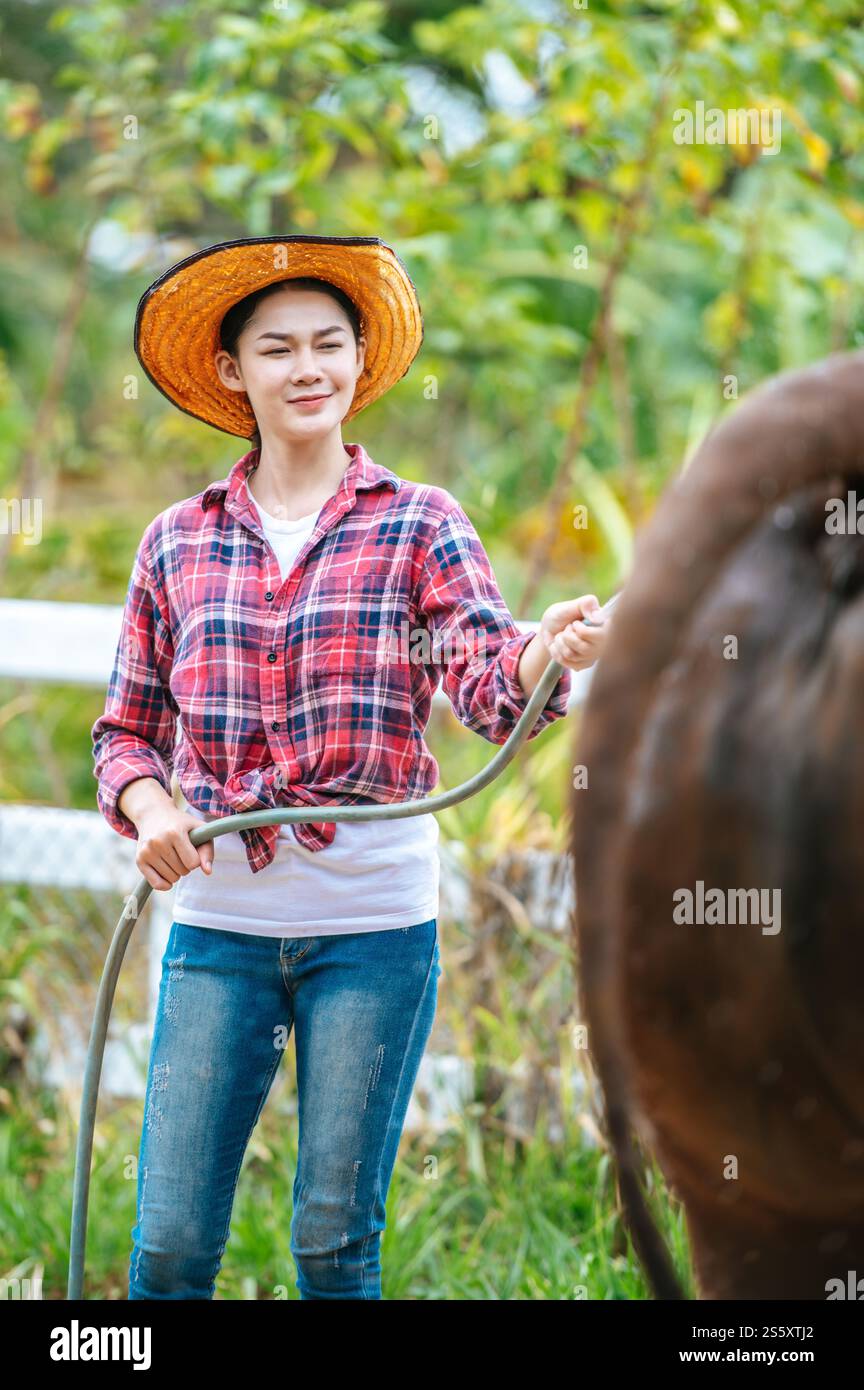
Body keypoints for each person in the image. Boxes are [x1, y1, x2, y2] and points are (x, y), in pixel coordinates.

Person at [91, 235, 611, 1300]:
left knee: (334, 1243)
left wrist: (539, 648)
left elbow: (480, 671)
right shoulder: (175, 541)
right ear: (234, 371)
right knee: (173, 1240)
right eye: (277, 348)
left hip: (374, 930)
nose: (308, 367)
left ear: (360, 363)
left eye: (330, 342)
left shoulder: (422, 523)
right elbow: (125, 732)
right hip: (219, 933)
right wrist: (148, 807)